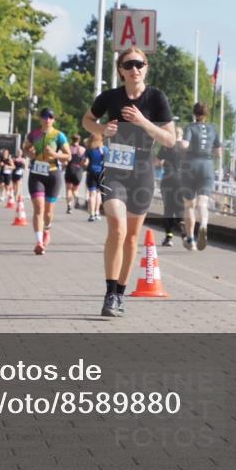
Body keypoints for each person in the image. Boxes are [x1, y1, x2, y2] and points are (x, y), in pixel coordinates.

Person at [82, 46, 174, 318]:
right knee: (117, 230)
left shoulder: (156, 98)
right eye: (129, 64)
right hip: (116, 170)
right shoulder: (110, 97)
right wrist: (101, 129)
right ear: (120, 70)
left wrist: (144, 121)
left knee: (132, 237)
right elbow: (87, 119)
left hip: (143, 172)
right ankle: (110, 293)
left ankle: (120, 293)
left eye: (140, 64)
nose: (135, 69)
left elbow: (169, 139)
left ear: (146, 67)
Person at [23, 108, 71, 255]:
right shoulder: (34, 134)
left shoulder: (58, 135)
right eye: (45, 117)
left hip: (52, 174)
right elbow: (25, 149)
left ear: (54, 120)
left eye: (50, 117)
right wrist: (29, 153)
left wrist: (55, 154)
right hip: (36, 174)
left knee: (48, 212)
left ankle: (47, 228)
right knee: (39, 208)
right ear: (40, 119)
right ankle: (39, 242)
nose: (47, 120)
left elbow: (68, 156)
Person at [179, 102, 222, 251]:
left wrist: (179, 144)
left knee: (189, 205)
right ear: (206, 114)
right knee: (202, 204)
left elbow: (184, 144)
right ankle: (203, 225)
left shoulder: (190, 128)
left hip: (190, 166)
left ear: (194, 113)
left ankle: (191, 239)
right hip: (207, 167)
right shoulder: (213, 129)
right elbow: (219, 153)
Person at [156, 126, 186, 247]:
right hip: (182, 180)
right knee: (179, 208)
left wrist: (163, 162)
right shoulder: (186, 147)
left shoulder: (166, 146)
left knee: (168, 209)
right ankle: (184, 232)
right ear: (182, 135)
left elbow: (156, 162)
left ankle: (168, 238)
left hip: (168, 179)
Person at [84, 133, 107, 222]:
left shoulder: (89, 150)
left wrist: (85, 164)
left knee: (92, 194)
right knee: (98, 193)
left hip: (91, 172)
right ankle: (97, 212)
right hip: (101, 173)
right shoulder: (104, 149)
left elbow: (85, 161)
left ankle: (92, 214)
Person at [64, 134, 87, 214]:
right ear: (79, 140)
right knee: (75, 189)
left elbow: (65, 161)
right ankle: (76, 198)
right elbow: (85, 161)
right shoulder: (82, 149)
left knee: (68, 189)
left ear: (71, 139)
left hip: (70, 169)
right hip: (78, 170)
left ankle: (69, 206)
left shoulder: (68, 148)